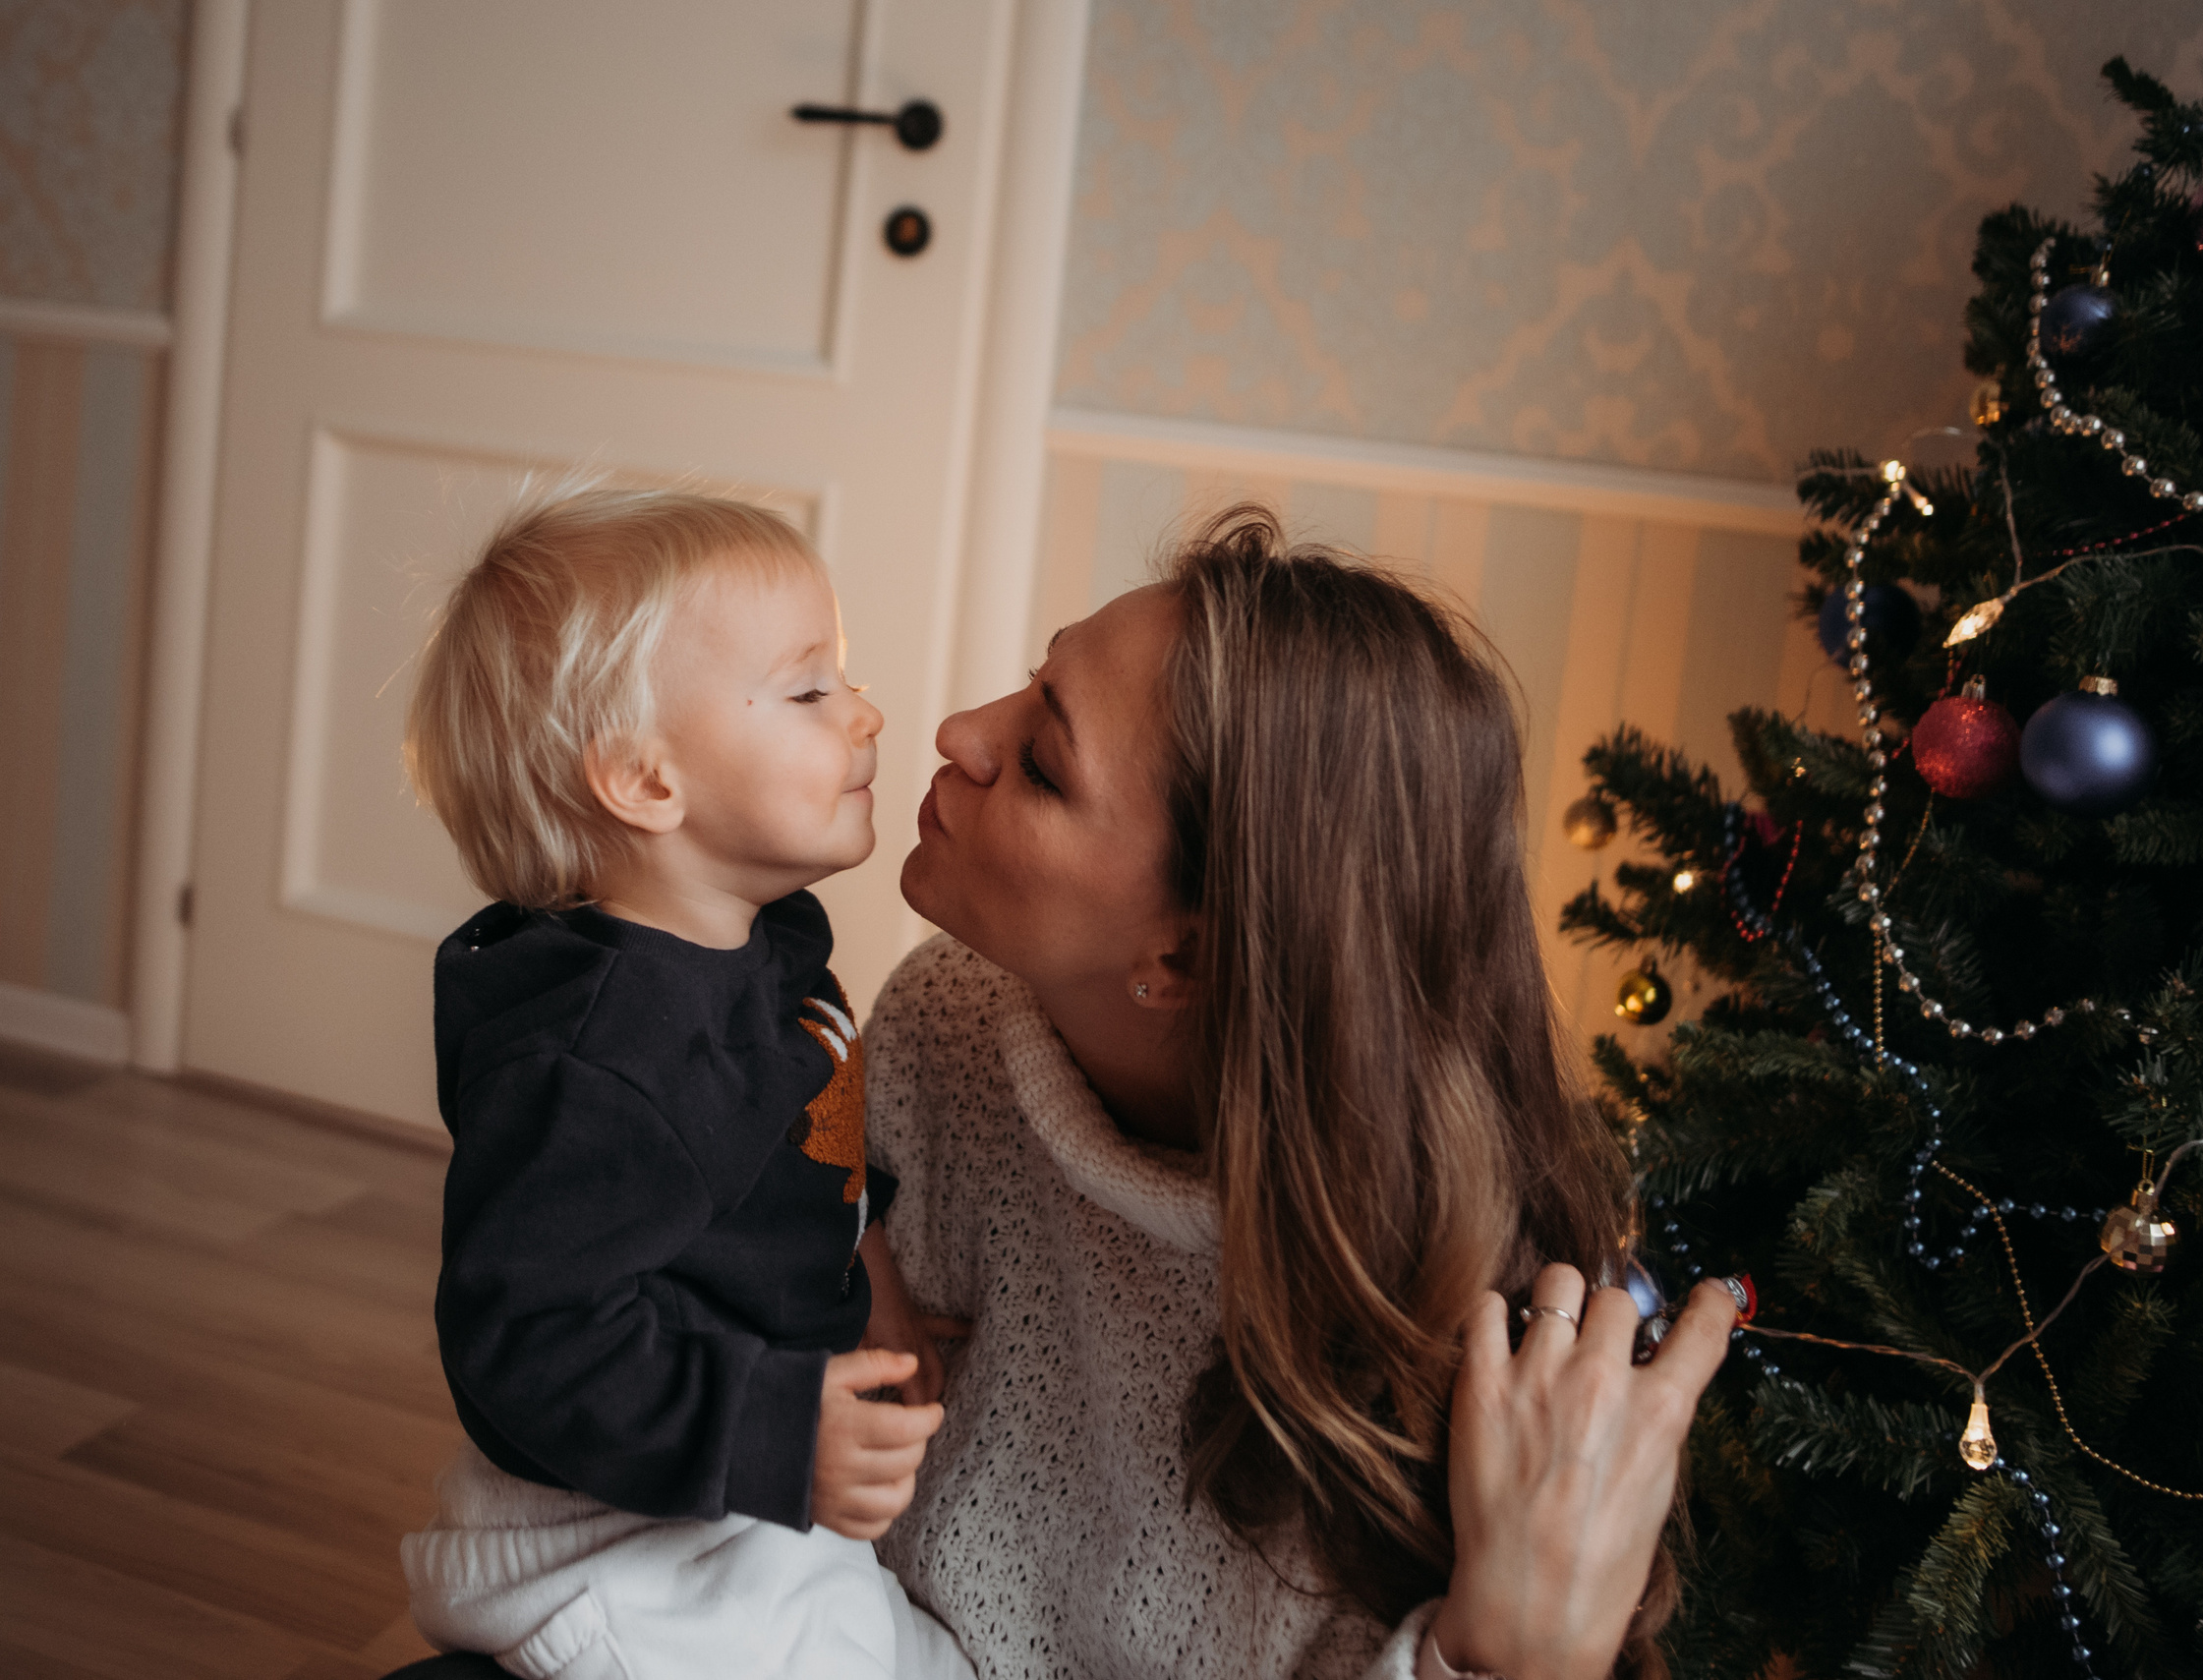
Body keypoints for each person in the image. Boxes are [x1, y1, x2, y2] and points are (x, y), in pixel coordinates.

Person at [864, 507, 1738, 1680]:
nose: (959, 732)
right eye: (1031, 686)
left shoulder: (1459, 1348)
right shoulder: (950, 1024)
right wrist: (848, 1244)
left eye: (1040, 763)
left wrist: (1511, 1655)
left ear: (1183, 958)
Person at [396, 486, 971, 1680]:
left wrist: (873, 1287)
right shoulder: (601, 1067)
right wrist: (770, 1428)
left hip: (734, 1490)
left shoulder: (772, 940)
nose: (864, 712)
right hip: (618, 1532)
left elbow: (810, 1134)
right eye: (810, 690)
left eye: (844, 676)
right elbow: (529, 1341)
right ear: (647, 782)